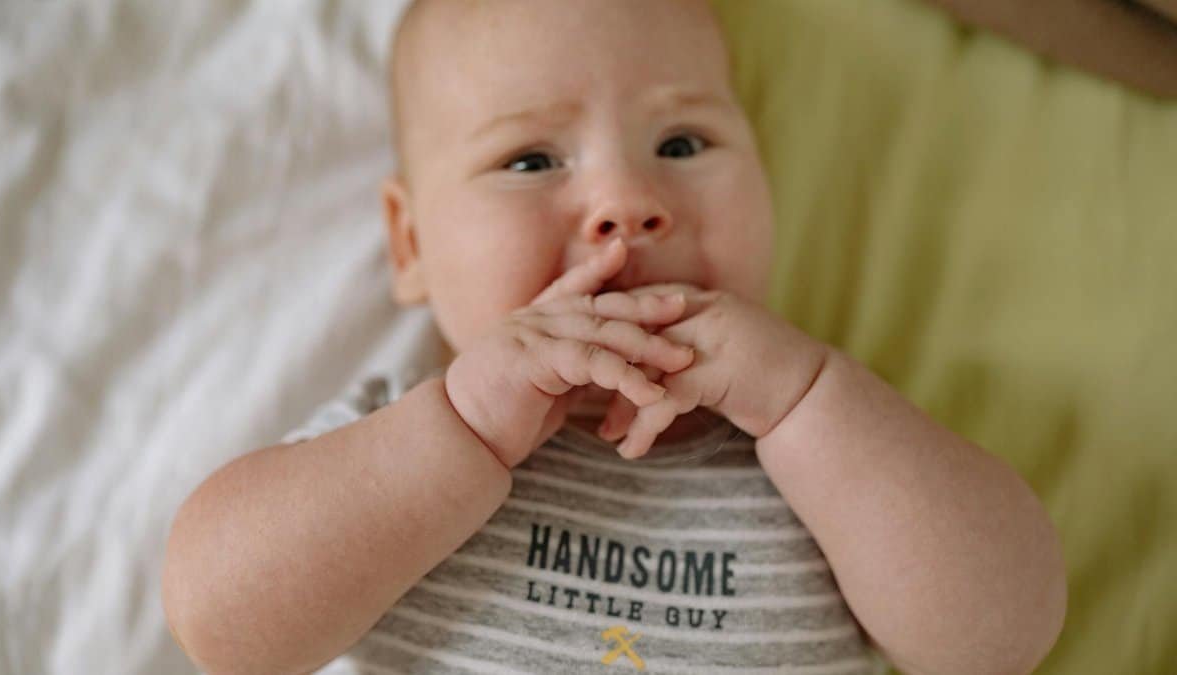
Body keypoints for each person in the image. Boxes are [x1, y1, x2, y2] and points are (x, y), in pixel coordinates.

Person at [161, 1, 1067, 673]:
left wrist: (804, 398)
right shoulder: (391, 449)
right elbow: (219, 624)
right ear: (411, 244)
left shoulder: (826, 456)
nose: (628, 202)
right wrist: (468, 424)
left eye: (681, 143)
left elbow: (1002, 637)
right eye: (531, 160)